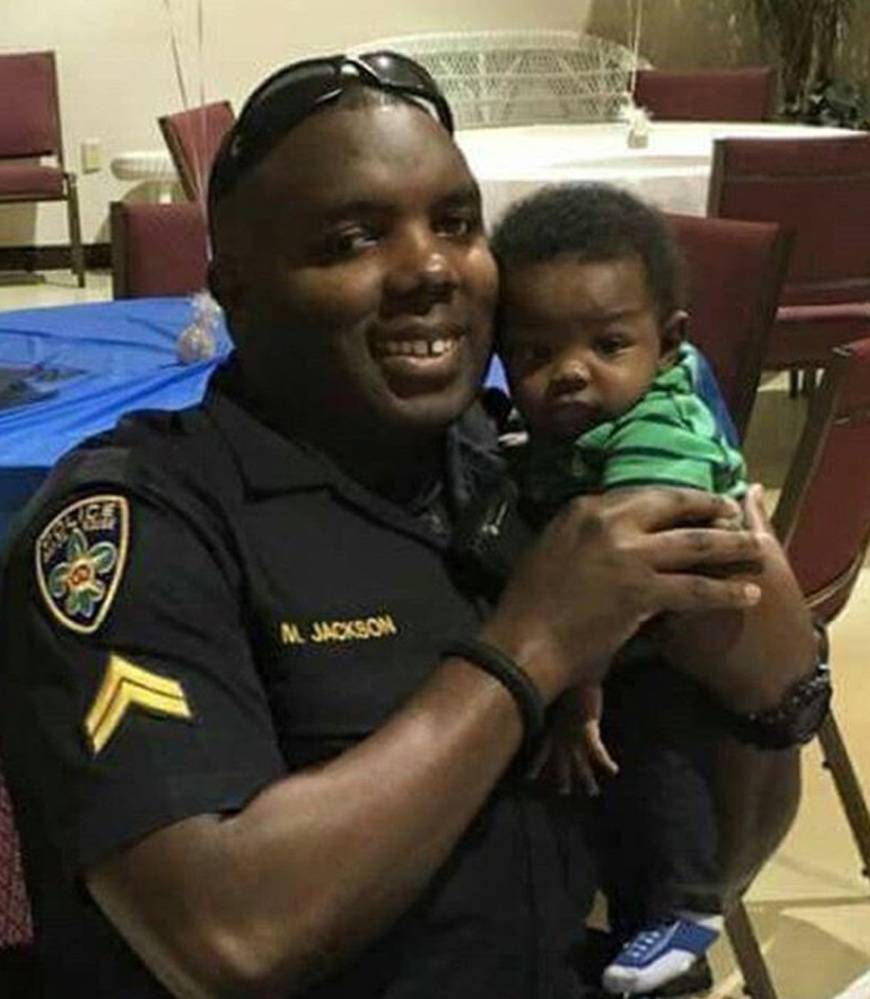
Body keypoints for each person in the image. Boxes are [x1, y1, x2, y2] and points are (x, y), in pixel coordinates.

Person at [0, 52, 825, 999]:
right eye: (353, 238)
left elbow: (714, 869)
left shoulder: (525, 476)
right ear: (236, 288)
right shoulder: (148, 528)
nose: (431, 267)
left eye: (458, 224)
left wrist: (773, 696)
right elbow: (226, 940)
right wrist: (532, 645)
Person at [491, 182, 751, 995]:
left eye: (608, 344)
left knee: (655, 746)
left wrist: (580, 685)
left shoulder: (660, 422)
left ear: (668, 344)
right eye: (535, 354)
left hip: (664, 637)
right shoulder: (577, 424)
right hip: (622, 629)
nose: (570, 372)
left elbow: (629, 564)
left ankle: (684, 904)